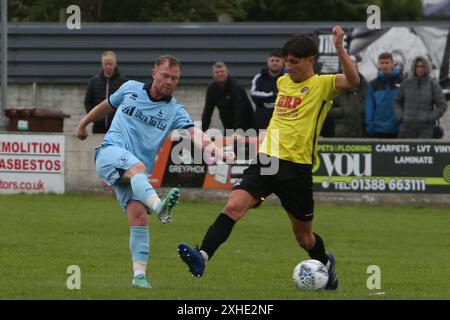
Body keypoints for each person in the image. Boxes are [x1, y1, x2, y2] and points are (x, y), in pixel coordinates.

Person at [177, 26, 360, 290]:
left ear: (311, 60)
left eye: (294, 62)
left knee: (304, 238)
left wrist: (341, 49)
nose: (289, 67)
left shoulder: (322, 85)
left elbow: (353, 81)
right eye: (286, 61)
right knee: (233, 206)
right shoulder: (282, 83)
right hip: (267, 161)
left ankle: (326, 265)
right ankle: (202, 256)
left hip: (297, 170)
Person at [76, 55, 233, 289]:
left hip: (136, 175)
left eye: (175, 78)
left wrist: (216, 151)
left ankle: (139, 277)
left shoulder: (174, 110)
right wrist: (83, 123)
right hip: (110, 153)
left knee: (138, 217)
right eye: (165, 76)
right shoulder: (130, 89)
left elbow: (194, 133)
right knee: (138, 168)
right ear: (153, 73)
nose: (169, 81)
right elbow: (106, 105)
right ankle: (160, 207)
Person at [394, 56, 447, 138]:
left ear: (426, 67)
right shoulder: (406, 83)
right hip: (406, 129)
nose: (420, 69)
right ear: (414, 67)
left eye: (422, 66)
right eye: (418, 66)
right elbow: (397, 102)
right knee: (404, 151)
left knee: (424, 151)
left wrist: (429, 118)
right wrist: (401, 116)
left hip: (425, 130)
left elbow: (442, 106)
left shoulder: (433, 84)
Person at [201, 61, 255, 134]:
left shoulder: (236, 87)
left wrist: (237, 131)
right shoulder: (211, 89)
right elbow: (207, 112)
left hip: (247, 126)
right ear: (213, 74)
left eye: (222, 71)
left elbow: (239, 111)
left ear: (227, 72)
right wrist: (203, 132)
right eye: (217, 72)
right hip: (228, 126)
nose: (220, 74)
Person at [323, 57, 368, 138]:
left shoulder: (364, 86)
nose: (350, 72)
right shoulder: (334, 86)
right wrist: (342, 111)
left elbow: (370, 105)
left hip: (362, 130)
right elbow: (325, 109)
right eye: (347, 69)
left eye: (353, 69)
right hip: (340, 131)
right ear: (342, 69)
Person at [84, 51, 127, 133]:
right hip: (98, 126)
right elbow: (88, 101)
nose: (108, 66)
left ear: (115, 64)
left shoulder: (123, 82)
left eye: (110, 64)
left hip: (117, 127)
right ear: (102, 64)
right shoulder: (94, 81)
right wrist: (93, 117)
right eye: (106, 64)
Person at [365, 52, 403, 138]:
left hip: (398, 129)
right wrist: (370, 127)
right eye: (382, 63)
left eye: (387, 63)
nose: (384, 66)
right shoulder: (373, 84)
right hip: (378, 130)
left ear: (392, 63)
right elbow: (369, 107)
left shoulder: (402, 82)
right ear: (379, 64)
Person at [250, 51, 285, 131]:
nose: (274, 63)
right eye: (272, 60)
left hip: (281, 123)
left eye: (277, 60)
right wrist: (274, 95)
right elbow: (254, 95)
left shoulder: (287, 79)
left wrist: (265, 98)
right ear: (267, 62)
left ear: (282, 63)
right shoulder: (259, 78)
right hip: (261, 122)